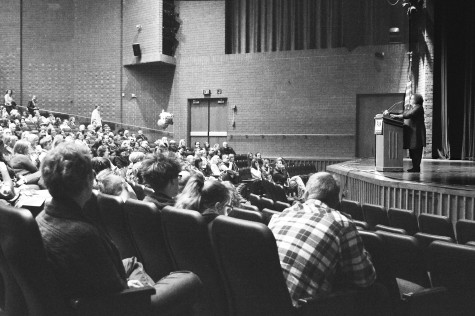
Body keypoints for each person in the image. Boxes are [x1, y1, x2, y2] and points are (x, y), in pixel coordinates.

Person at [36, 142, 201, 313]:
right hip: (113, 306)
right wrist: (128, 289)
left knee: (131, 262)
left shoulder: (41, 219)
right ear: (89, 179)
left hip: (87, 295)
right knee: (188, 279)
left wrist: (124, 284)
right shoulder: (83, 233)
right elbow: (114, 297)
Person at [268, 172, 376, 307]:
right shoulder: (342, 223)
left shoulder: (280, 215)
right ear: (336, 201)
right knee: (379, 292)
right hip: (298, 310)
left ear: (306, 195)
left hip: (261, 303)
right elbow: (364, 279)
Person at [387, 94, 426, 172]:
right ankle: (415, 167)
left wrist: (396, 116)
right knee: (412, 151)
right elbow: (404, 113)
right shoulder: (412, 108)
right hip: (412, 134)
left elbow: (409, 115)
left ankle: (416, 167)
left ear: (416, 100)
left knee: (416, 152)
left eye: (412, 98)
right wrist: (390, 113)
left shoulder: (419, 108)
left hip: (417, 134)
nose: (410, 100)